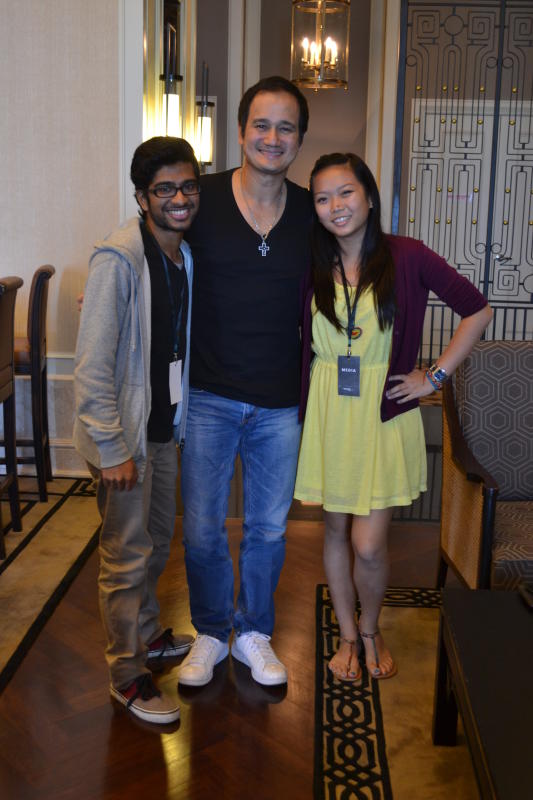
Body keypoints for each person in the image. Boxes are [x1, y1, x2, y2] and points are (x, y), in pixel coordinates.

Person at [294, 152, 492, 682]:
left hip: (384, 413)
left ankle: (373, 625)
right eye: (321, 197)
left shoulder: (409, 256)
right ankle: (348, 633)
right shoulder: (310, 262)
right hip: (330, 412)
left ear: (370, 195)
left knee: (369, 543)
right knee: (334, 533)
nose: (335, 206)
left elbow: (477, 310)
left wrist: (435, 376)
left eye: (345, 192)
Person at [177, 76, 313, 688]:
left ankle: (252, 632)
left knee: (268, 528)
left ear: (300, 139)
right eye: (262, 124)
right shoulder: (201, 198)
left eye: (286, 127)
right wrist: (113, 290)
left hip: (281, 402)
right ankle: (210, 631)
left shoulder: (312, 211)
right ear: (240, 131)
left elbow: (368, 263)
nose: (272, 137)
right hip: (208, 396)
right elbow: (148, 240)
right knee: (203, 525)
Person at [74, 137, 200, 724]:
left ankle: (147, 637)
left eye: (188, 186)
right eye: (165, 189)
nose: (179, 198)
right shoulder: (119, 257)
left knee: (154, 543)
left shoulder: (182, 254)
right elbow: (92, 365)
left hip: (161, 427)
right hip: (122, 437)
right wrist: (110, 447)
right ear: (142, 196)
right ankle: (126, 675)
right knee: (124, 558)